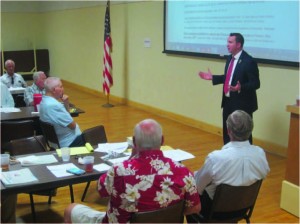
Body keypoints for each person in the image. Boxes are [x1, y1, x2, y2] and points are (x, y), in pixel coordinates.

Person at [64, 118, 201, 223]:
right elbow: (195, 208)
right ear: (162, 140)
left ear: (134, 142)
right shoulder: (183, 172)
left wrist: (130, 158)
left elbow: (101, 190)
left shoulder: (119, 171)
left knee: (70, 209)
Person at [187, 110, 270, 222]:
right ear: (250, 131)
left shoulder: (216, 158)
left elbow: (197, 187)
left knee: (188, 196)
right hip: (243, 209)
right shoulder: (260, 154)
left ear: (228, 131)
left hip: (214, 212)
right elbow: (263, 174)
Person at [198, 33, 260, 144]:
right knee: (227, 132)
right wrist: (213, 77)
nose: (227, 45)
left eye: (230, 42)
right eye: (227, 42)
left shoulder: (248, 61)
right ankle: (228, 153)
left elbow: (256, 83)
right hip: (228, 102)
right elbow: (229, 77)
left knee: (244, 135)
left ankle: (246, 156)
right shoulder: (230, 59)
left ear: (239, 44)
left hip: (242, 105)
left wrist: (241, 87)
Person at [39, 77, 85, 147]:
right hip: (70, 142)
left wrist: (66, 104)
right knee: (95, 135)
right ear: (54, 90)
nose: (63, 88)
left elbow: (66, 119)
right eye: (61, 86)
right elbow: (73, 125)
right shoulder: (54, 106)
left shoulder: (44, 101)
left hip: (58, 140)